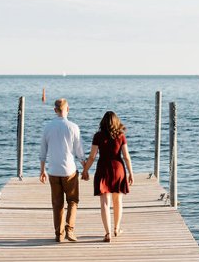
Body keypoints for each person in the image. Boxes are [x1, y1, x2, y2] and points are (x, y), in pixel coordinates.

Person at [81, 111, 133, 242]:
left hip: (103, 169)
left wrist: (85, 170)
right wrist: (131, 173)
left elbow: (92, 156)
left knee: (104, 202)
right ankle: (116, 228)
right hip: (118, 169)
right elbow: (126, 156)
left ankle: (108, 233)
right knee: (118, 200)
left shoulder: (98, 136)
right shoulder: (121, 136)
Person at [39, 98, 86, 243]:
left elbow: (43, 151)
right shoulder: (73, 127)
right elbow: (79, 152)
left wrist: (42, 170)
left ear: (55, 110)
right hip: (69, 171)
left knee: (57, 203)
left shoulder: (47, 127)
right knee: (72, 201)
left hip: (53, 170)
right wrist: (85, 168)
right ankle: (69, 230)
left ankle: (58, 234)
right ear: (68, 109)